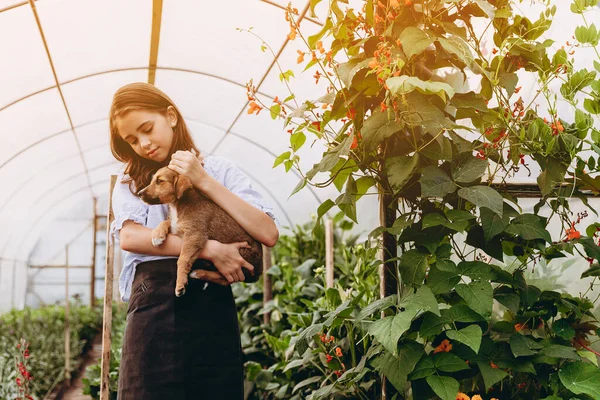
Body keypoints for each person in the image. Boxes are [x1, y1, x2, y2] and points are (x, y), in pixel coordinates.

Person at [107, 82, 279, 399]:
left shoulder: (219, 170)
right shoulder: (132, 181)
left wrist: (203, 180)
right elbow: (130, 237)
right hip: (152, 304)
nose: (143, 144)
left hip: (209, 302)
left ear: (171, 116)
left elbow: (267, 232)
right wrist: (211, 249)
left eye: (147, 129)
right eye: (132, 139)